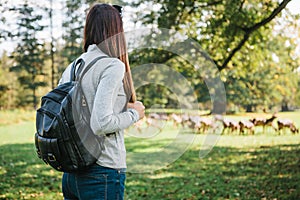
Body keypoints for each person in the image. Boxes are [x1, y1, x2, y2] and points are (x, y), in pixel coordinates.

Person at [59, 3, 145, 200]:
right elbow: (101, 123)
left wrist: (122, 107)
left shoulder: (73, 66)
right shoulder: (112, 66)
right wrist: (135, 113)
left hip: (72, 174)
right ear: (116, 31)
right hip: (102, 172)